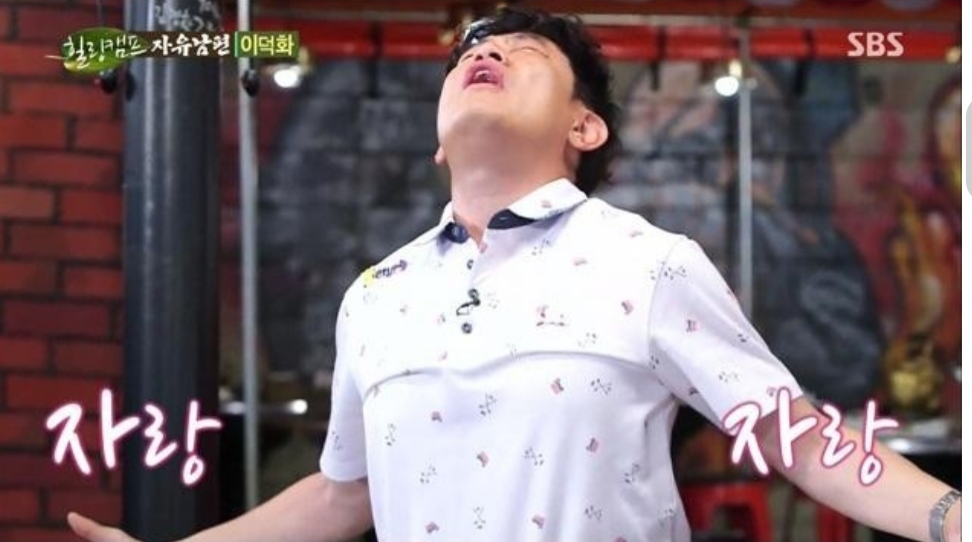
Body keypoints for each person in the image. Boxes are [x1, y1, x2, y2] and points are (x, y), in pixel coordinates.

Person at [67, 8, 960, 542]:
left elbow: (796, 437)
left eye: (525, 51)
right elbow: (344, 494)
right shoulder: (377, 295)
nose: (483, 54)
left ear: (583, 128)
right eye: (469, 54)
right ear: (436, 139)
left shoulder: (647, 261)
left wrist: (951, 519)